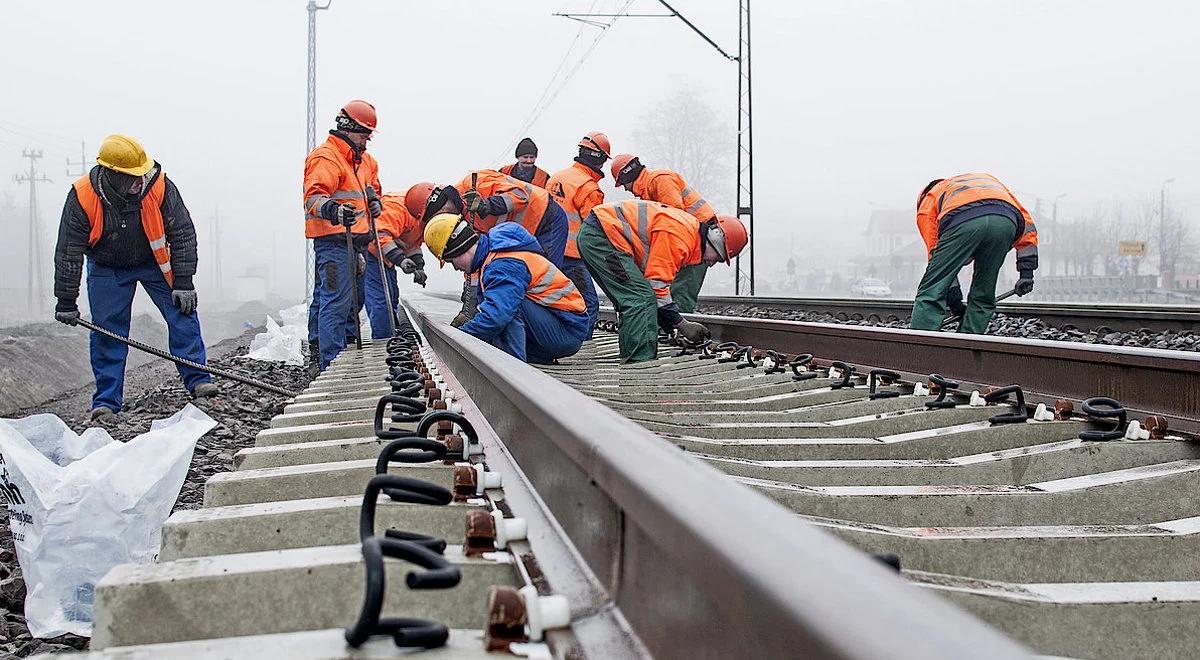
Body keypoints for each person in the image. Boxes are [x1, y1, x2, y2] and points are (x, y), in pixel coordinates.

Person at [52, 134, 216, 420]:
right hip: (106, 267)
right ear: (112, 175)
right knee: (108, 331)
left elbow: (183, 233)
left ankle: (199, 380)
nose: (140, 180)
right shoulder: (82, 196)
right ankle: (106, 401)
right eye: (132, 177)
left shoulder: (160, 185)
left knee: (183, 313)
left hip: (153, 262)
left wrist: (184, 283)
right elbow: (69, 251)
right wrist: (66, 300)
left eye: (141, 174)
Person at [577, 200, 748, 363]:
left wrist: (668, 323)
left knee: (635, 296)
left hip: (601, 234)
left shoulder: (687, 233)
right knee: (640, 299)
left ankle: (632, 356)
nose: (711, 264)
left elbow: (654, 282)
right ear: (716, 241)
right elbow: (656, 286)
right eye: (718, 258)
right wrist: (681, 324)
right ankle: (640, 364)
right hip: (602, 237)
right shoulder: (680, 238)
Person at [405, 170, 569, 324]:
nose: (443, 219)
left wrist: (488, 205)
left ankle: (557, 327)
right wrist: (468, 306)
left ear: (440, 200)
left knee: (542, 280)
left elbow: (520, 195)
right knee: (519, 287)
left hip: (546, 220)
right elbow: (474, 263)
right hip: (523, 238)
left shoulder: (474, 183)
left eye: (440, 214)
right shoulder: (460, 221)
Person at [424, 214, 589, 363]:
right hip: (556, 326)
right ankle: (534, 356)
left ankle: (513, 365)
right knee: (497, 317)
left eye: (452, 261)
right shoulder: (492, 259)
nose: (455, 268)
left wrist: (459, 335)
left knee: (505, 309)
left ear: (459, 249)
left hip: (566, 332)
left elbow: (497, 317)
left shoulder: (502, 264)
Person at [302, 99, 382, 370]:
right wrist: (334, 211)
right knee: (335, 303)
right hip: (334, 243)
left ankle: (345, 352)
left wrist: (375, 202)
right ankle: (330, 363)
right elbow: (313, 199)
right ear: (348, 128)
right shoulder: (326, 157)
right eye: (364, 135)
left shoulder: (365, 161)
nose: (367, 141)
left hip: (357, 242)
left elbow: (373, 190)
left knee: (352, 303)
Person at [910, 173, 1039, 334]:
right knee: (983, 294)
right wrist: (1027, 273)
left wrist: (955, 302)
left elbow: (937, 260)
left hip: (963, 219)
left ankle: (919, 346)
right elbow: (1027, 226)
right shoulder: (988, 183)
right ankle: (967, 344)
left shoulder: (928, 201)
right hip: (1005, 220)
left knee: (932, 289)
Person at [608, 154, 717, 313]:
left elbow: (674, 219)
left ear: (628, 175)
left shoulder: (660, 179)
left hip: (698, 239)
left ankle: (680, 329)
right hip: (691, 239)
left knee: (682, 289)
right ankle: (674, 326)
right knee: (673, 287)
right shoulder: (650, 188)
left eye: (623, 183)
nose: (625, 188)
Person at [547, 132, 610, 336]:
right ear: (599, 159)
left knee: (557, 301)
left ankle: (557, 338)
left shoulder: (557, 177)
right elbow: (596, 228)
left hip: (548, 252)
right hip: (572, 256)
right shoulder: (589, 188)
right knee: (589, 304)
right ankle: (581, 346)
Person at [363, 192, 426, 339]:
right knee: (381, 303)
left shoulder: (422, 220)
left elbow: (413, 245)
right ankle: (384, 343)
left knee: (392, 298)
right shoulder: (397, 208)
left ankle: (390, 335)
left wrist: (419, 267)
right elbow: (381, 236)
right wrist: (401, 259)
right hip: (372, 255)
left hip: (386, 260)